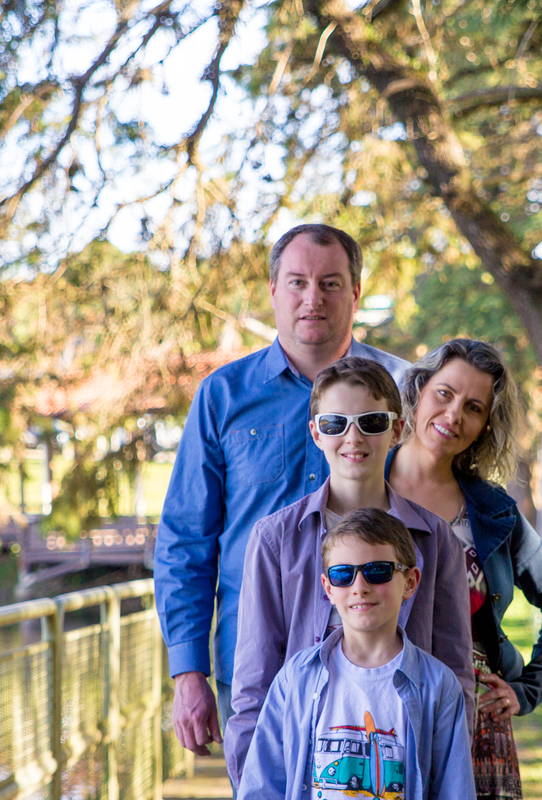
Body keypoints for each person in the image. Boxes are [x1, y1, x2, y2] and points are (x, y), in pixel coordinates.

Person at [154, 224, 409, 756]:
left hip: (385, 660)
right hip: (254, 668)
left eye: (331, 283)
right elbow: (185, 542)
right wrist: (188, 672)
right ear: (272, 291)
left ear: (356, 293)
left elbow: (446, 516)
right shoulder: (223, 396)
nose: (312, 297)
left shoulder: (405, 389)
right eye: (297, 282)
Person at [226, 357, 474, 791]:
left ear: (397, 430)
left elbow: (456, 673)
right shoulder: (274, 540)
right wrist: (250, 778)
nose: (353, 437)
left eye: (372, 421)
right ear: (316, 432)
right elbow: (254, 687)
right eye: (336, 422)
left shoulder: (436, 541)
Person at [385, 339, 542, 800]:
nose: (454, 414)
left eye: (473, 407)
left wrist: (527, 690)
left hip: (475, 722)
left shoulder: (494, 512)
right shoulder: (361, 488)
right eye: (445, 393)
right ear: (418, 390)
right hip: (373, 711)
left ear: (484, 426)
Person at [237, 507, 475, 800]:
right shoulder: (295, 679)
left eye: (378, 571)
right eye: (342, 574)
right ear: (328, 588)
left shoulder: (438, 686)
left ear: (410, 582)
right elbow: (262, 786)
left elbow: (455, 790)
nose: (359, 587)